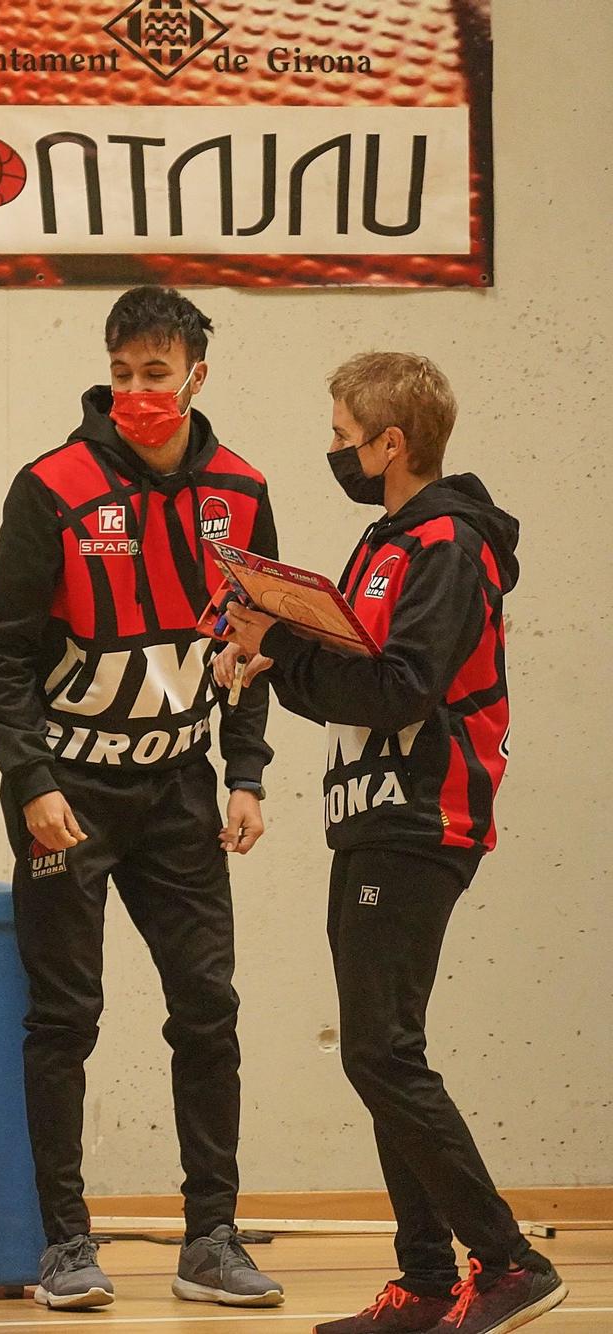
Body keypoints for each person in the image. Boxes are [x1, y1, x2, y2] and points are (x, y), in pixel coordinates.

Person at [218, 353, 566, 1334]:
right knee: (375, 1051)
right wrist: (267, 642)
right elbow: (346, 677)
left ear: (388, 441)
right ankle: (420, 1281)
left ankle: (504, 1259)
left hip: (424, 813)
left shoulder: (444, 543)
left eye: (339, 435)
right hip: (368, 810)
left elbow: (401, 686)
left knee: (381, 1049)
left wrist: (283, 648)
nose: (330, 450)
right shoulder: (381, 540)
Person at [0, 285, 284, 1312]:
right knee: (64, 1016)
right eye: (123, 372)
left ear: (197, 374)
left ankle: (211, 1237)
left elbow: (253, 639)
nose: (138, 392)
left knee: (208, 1009)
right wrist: (30, 783)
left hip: (180, 792)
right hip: (71, 792)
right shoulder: (51, 485)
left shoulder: (240, 489)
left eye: (157, 373)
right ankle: (65, 1242)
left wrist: (243, 771)